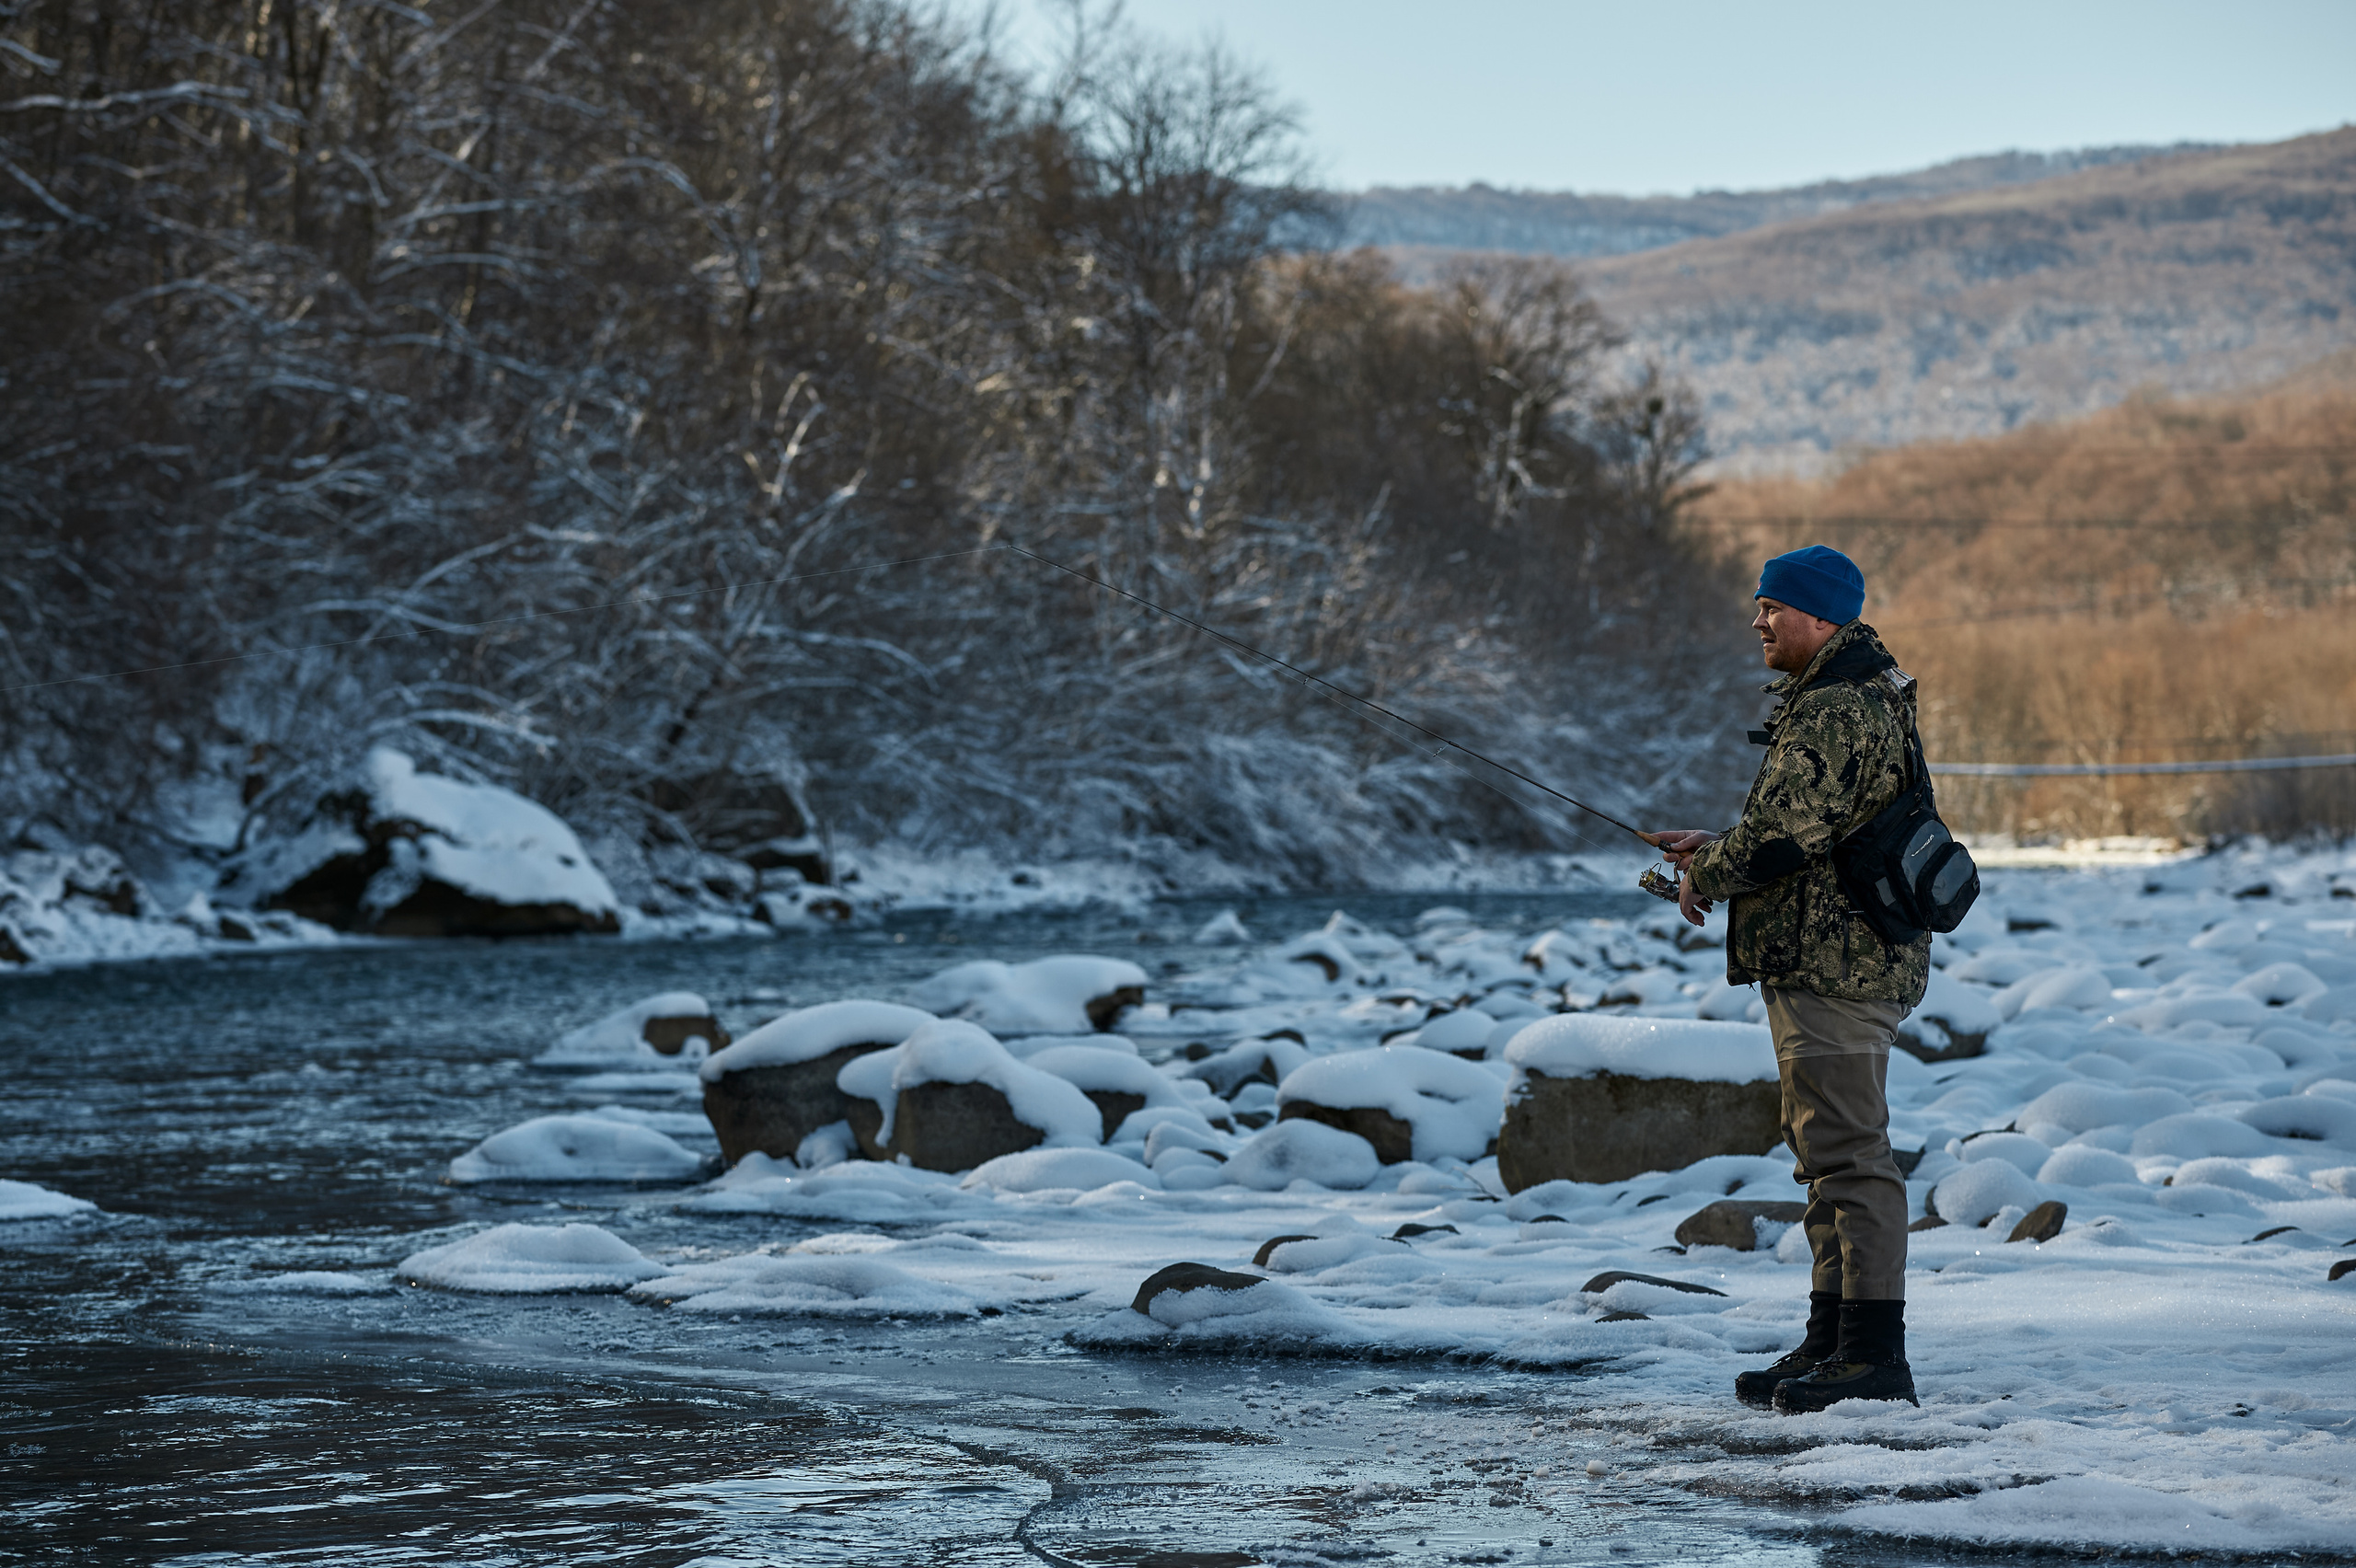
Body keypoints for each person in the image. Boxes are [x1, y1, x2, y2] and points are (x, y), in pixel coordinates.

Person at [1652, 545, 1930, 1413]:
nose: (1758, 620)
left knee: (1850, 1160)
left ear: (1822, 618)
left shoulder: (1837, 708)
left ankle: (1874, 1358)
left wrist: (1707, 872)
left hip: (1836, 968)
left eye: (1773, 607)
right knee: (1827, 1160)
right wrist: (1718, 848)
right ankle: (1834, 1340)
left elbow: (1783, 838)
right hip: (1833, 960)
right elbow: (1804, 829)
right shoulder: (1854, 697)